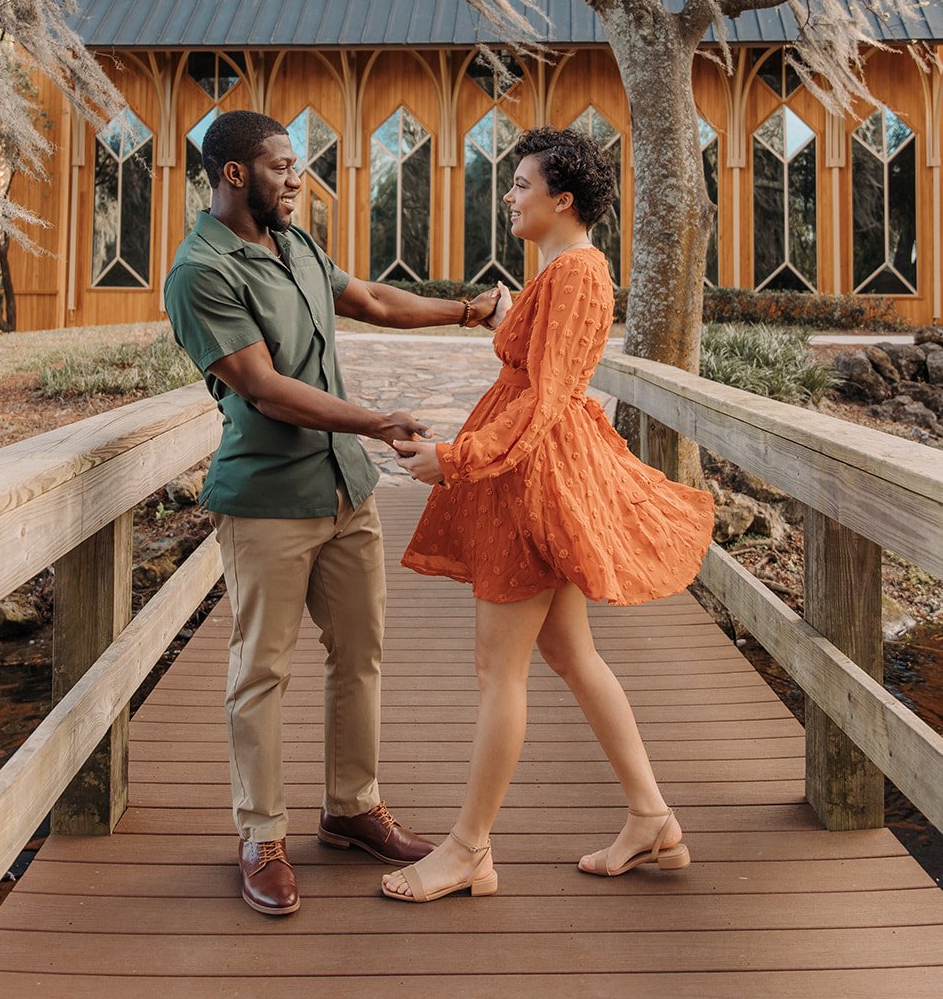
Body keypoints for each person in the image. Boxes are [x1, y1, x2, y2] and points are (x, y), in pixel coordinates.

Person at [163, 109, 502, 918]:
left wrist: (470, 310)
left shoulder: (296, 244)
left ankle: (351, 809)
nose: (297, 177)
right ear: (235, 173)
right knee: (262, 670)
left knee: (360, 654)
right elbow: (262, 386)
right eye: (283, 165)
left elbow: (375, 301)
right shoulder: (200, 271)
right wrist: (377, 421)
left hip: (346, 491)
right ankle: (262, 834)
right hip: (269, 502)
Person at [383, 125, 715, 904]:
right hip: (533, 473)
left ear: (561, 199)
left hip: (531, 481)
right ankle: (650, 819)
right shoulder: (564, 271)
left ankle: (467, 849)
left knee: (497, 670)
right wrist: (506, 322)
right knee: (568, 655)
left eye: (521, 184)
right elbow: (547, 368)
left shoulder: (576, 274)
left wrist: (455, 461)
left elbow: (549, 394)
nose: (508, 195)